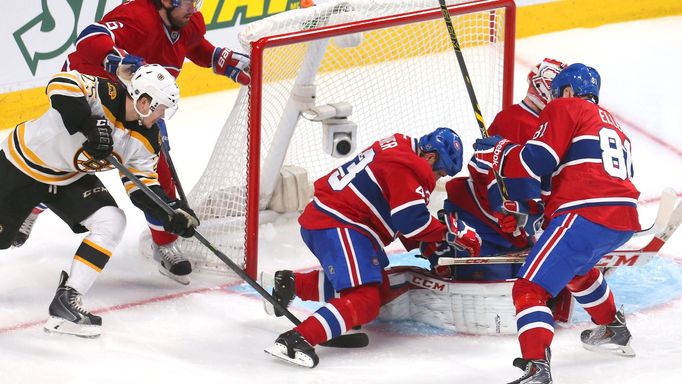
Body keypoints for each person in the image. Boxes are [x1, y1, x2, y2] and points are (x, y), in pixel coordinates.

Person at [13, 0, 250, 284]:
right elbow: (90, 37)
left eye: (196, 1)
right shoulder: (138, 16)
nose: (194, 8)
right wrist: (112, 58)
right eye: (188, 1)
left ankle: (163, 244)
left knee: (156, 169)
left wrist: (219, 60)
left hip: (139, 102)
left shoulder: (189, 21)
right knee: (72, 161)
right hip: (93, 93)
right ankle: (34, 204)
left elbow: (194, 46)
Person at [0, 64, 200, 337]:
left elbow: (142, 188)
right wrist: (88, 123)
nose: (162, 115)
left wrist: (170, 212)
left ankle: (67, 301)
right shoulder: (106, 93)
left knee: (111, 220)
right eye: (161, 108)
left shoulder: (147, 139)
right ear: (144, 101)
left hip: (68, 179)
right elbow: (61, 83)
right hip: (21, 166)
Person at [472, 63, 640, 383]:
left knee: (529, 288)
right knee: (576, 269)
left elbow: (537, 160)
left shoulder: (564, 106)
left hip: (586, 212)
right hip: (624, 217)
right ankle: (614, 328)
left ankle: (536, 367)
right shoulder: (612, 124)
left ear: (564, 91)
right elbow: (565, 172)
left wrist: (500, 152)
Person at [263, 128, 482, 367]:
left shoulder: (401, 148)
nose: (438, 178)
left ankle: (290, 284)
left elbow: (400, 215)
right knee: (364, 300)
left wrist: (431, 248)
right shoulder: (407, 167)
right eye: (440, 172)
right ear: (430, 157)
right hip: (339, 223)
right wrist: (451, 233)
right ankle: (295, 340)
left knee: (379, 289)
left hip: (340, 221)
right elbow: (409, 221)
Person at [425, 58, 567, 282]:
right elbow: (488, 174)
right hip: (482, 219)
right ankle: (441, 246)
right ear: (544, 89)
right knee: (491, 279)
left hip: (514, 225)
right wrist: (507, 212)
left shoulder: (545, 123)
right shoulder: (517, 122)